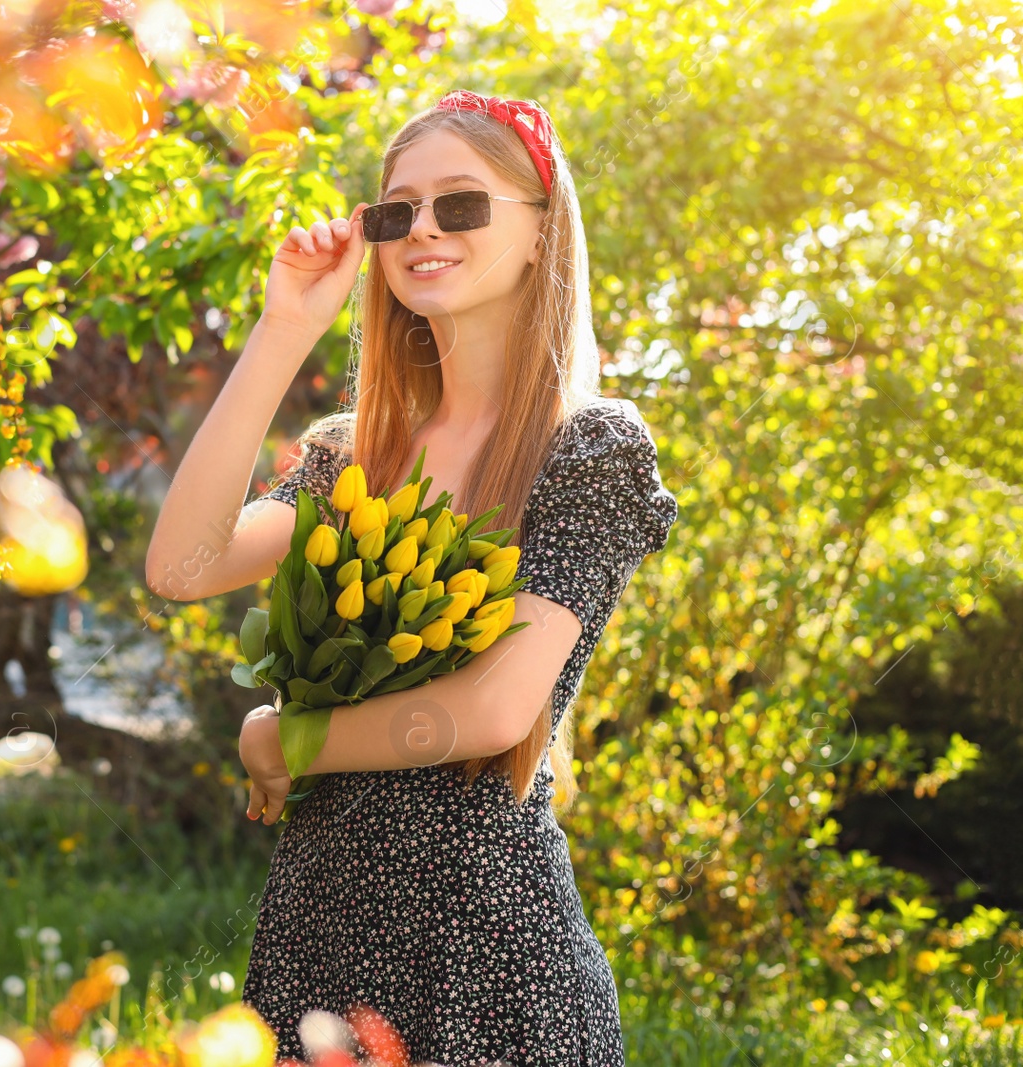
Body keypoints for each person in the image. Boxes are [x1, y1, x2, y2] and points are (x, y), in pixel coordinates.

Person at [144, 90, 679, 1067]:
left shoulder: (587, 447)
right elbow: (181, 564)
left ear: (538, 232)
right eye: (395, 211)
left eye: (460, 204)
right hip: (316, 936)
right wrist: (282, 328)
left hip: (487, 956)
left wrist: (285, 735)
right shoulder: (355, 458)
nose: (420, 229)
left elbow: (492, 709)